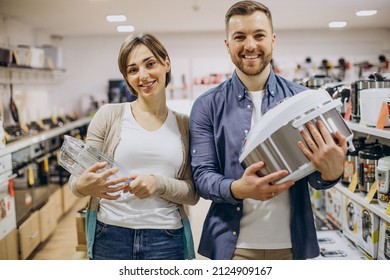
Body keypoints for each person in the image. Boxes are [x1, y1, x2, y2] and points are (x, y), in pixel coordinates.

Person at [189, 0, 347, 260]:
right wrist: (239, 189)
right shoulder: (207, 106)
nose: (250, 45)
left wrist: (332, 170)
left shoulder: (304, 100)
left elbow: (316, 179)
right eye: (239, 37)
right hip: (232, 249)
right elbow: (202, 178)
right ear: (227, 44)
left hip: (292, 246)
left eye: (259, 35)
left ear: (272, 40)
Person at [69, 33, 199, 260]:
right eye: (133, 70)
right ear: (127, 78)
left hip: (166, 238)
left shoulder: (184, 125)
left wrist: (158, 183)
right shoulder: (109, 116)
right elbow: (77, 181)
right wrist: (83, 185)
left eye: (150, 64)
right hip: (110, 235)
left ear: (166, 63)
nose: (143, 75)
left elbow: (192, 193)